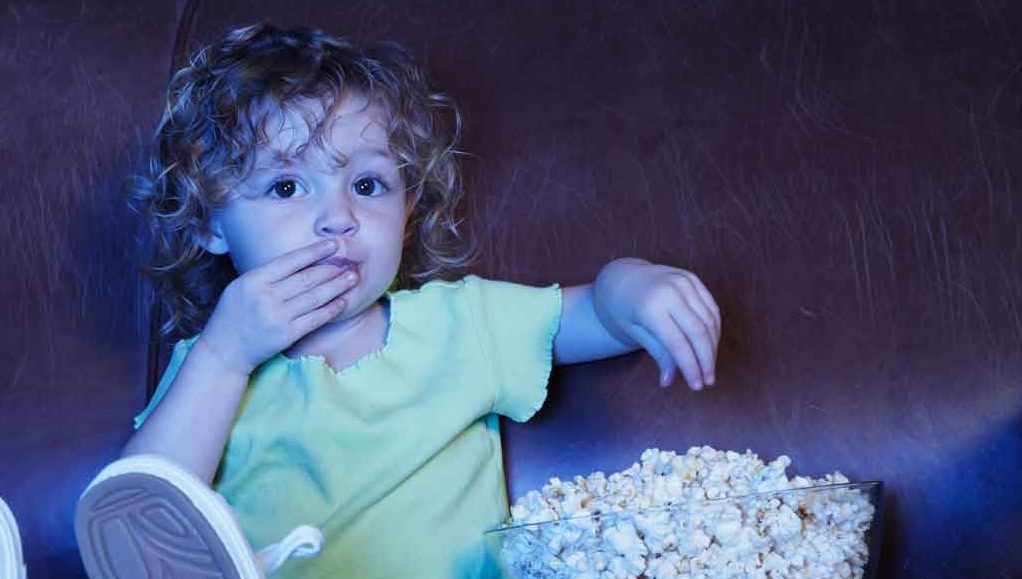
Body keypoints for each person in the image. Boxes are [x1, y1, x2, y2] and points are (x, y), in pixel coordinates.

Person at [75, 22, 721, 579]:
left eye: (367, 182)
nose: (338, 217)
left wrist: (629, 283)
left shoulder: (460, 323)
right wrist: (224, 354)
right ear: (212, 223)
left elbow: (590, 316)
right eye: (285, 186)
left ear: (407, 212)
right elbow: (136, 513)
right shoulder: (209, 364)